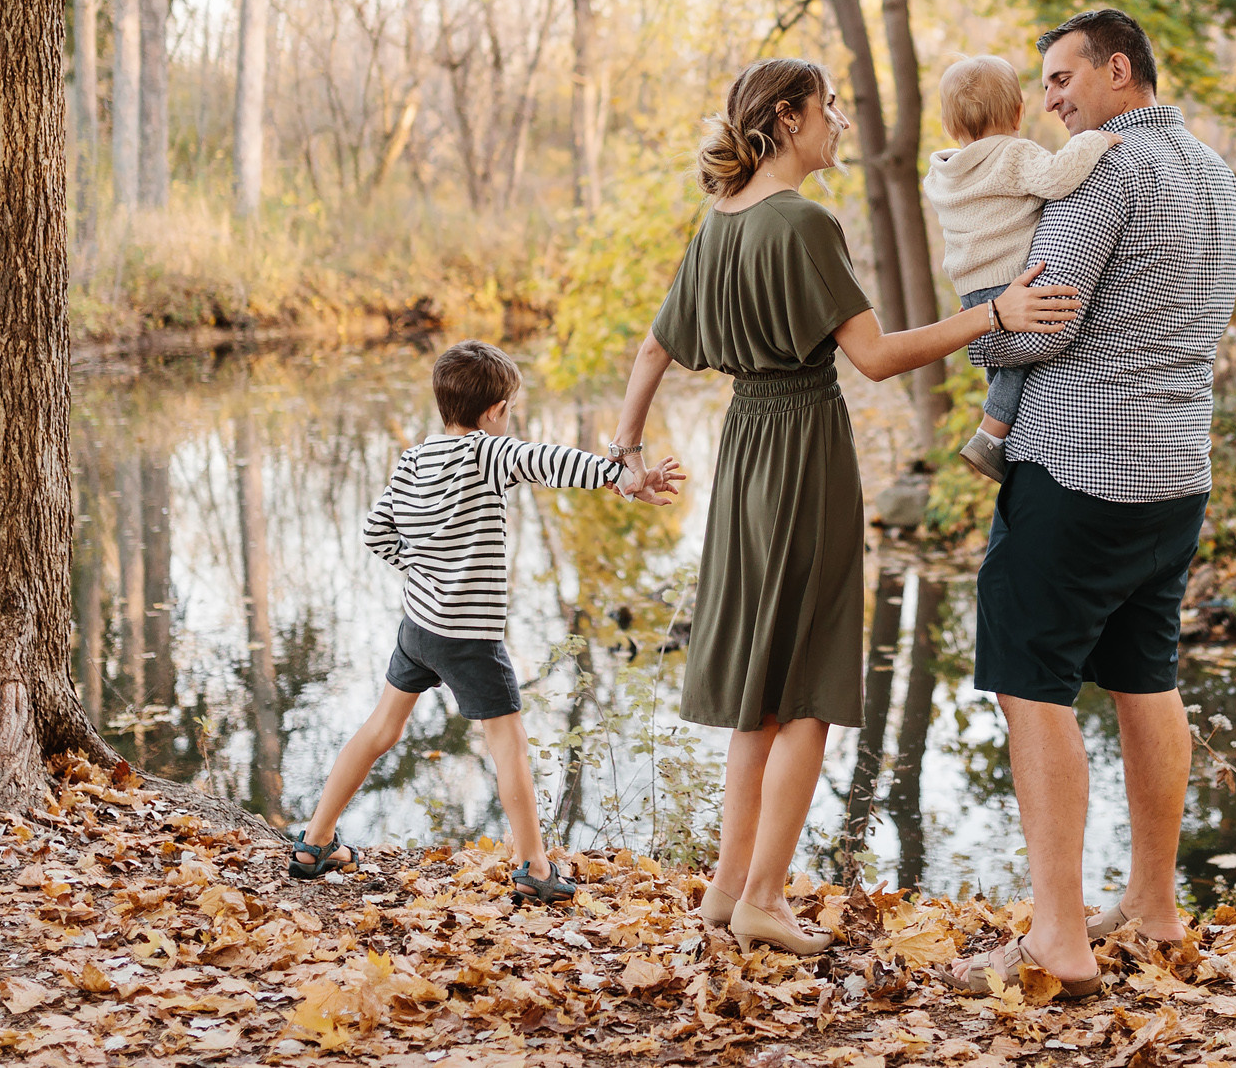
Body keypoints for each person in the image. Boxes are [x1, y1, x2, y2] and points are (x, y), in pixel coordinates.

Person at [606, 58, 1080, 956]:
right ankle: (765, 896)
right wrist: (996, 313)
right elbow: (876, 356)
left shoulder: (720, 223)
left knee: (759, 686)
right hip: (802, 454)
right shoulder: (804, 223)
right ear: (787, 119)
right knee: (812, 684)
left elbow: (650, 348)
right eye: (830, 109)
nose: (840, 124)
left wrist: (627, 453)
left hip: (745, 454)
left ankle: (725, 885)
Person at [935, 8, 1236, 1001]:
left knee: (1033, 689)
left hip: (1076, 471)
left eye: (1065, 78)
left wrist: (982, 328)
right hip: (1173, 477)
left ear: (1119, 69)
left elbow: (1034, 326)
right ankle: (1154, 910)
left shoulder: (1105, 168)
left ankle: (1058, 942)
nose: (1053, 100)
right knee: (1145, 679)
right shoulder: (1213, 171)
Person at [287, 340, 683, 898]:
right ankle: (536, 869)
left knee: (382, 729)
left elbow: (376, 532)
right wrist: (624, 475)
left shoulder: (412, 459)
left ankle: (313, 841)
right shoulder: (487, 453)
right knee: (509, 744)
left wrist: (420, 569)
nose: (510, 421)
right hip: (467, 636)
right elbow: (551, 461)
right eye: (510, 410)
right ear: (495, 412)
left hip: (418, 627)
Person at [922, 53, 1118, 484]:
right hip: (1008, 282)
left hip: (970, 287)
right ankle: (990, 437)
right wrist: (1092, 141)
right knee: (1017, 364)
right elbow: (1056, 178)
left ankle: (997, 435)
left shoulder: (941, 174)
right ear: (1017, 113)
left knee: (1002, 364)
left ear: (948, 125)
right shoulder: (1013, 154)